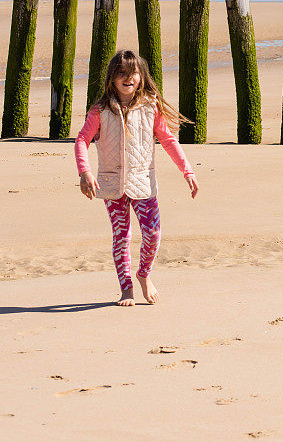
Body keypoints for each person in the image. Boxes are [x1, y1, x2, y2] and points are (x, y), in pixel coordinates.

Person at [74, 50, 199, 306]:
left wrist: (187, 171)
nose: (127, 78)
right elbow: (82, 140)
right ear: (112, 78)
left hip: (143, 182)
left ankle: (144, 274)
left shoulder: (151, 106)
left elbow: (168, 140)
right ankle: (126, 289)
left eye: (133, 73)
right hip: (111, 184)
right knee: (122, 236)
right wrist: (84, 171)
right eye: (121, 73)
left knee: (152, 234)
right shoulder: (100, 110)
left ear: (141, 77)